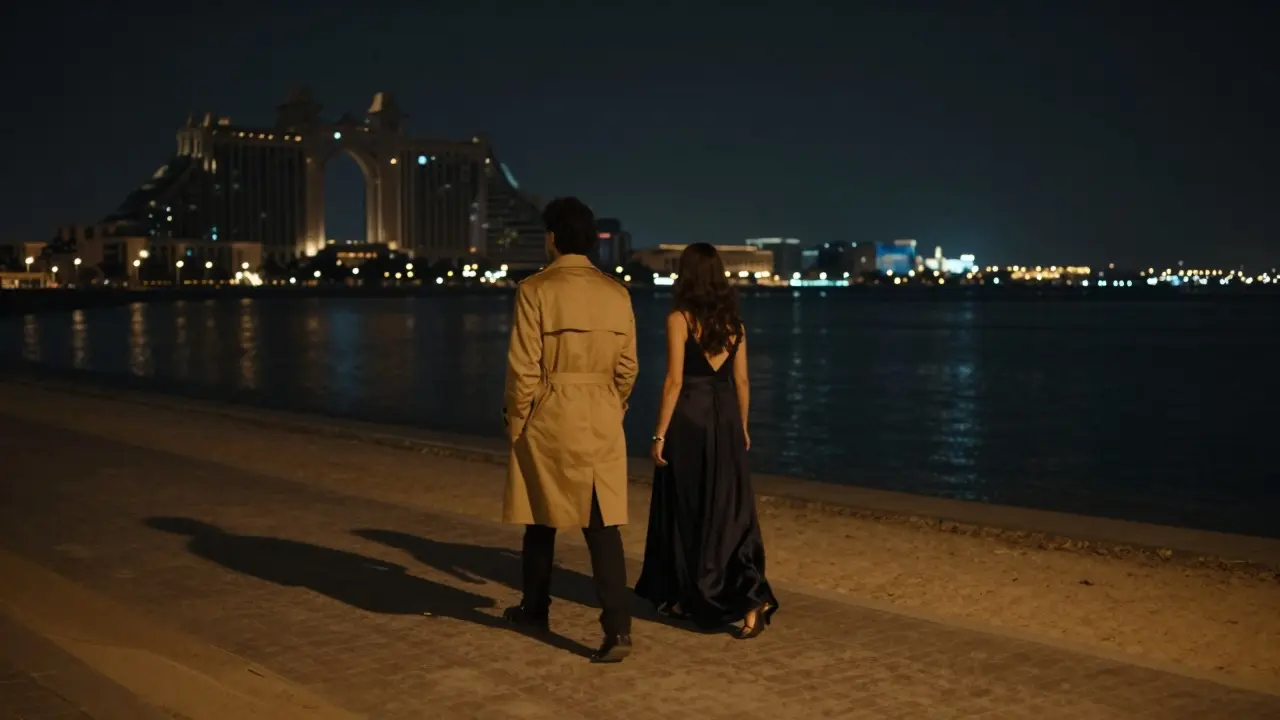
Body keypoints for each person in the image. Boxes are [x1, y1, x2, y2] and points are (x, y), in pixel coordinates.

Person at [501, 196, 639, 663]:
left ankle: (535, 609)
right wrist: (611, 405)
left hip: (551, 409)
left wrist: (517, 421)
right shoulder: (616, 293)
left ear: (554, 237)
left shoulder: (536, 290)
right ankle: (617, 629)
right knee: (603, 524)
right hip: (600, 409)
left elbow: (523, 369)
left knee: (541, 517)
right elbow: (628, 368)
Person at [634, 243, 779, 638]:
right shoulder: (735, 323)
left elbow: (674, 382)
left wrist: (659, 433)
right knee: (729, 511)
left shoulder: (679, 318)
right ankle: (744, 598)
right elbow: (743, 382)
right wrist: (744, 427)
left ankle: (694, 592)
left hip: (691, 420)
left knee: (688, 508)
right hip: (727, 419)